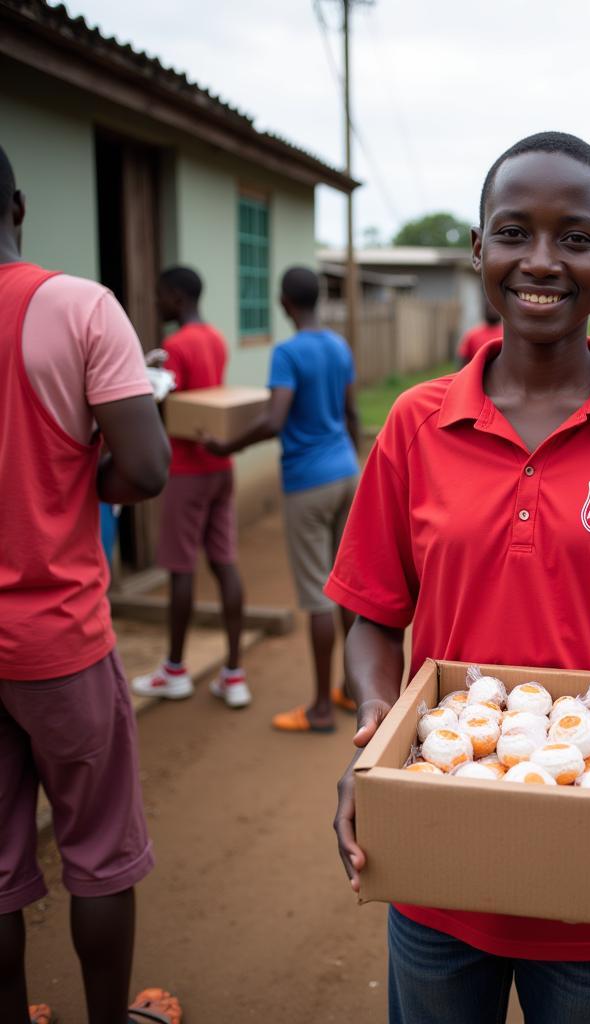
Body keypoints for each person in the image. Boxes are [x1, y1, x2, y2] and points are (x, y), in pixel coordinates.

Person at [326, 132, 590, 1023]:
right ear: (479, 248)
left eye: (577, 236)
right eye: (515, 232)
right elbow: (370, 613)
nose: (543, 261)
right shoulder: (416, 424)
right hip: (439, 860)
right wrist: (377, 724)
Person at [0, 146, 182, 1024]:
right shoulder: (75, 307)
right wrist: (78, 481)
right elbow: (145, 467)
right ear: (20, 206)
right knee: (99, 853)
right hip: (58, 638)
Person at [202, 266, 361, 732]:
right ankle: (352, 691)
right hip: (346, 473)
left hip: (307, 482)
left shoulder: (287, 354)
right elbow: (351, 412)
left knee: (316, 596)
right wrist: (356, 467)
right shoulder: (338, 346)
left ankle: (319, 710)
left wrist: (225, 445)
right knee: (345, 591)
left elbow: (274, 420)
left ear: (285, 303)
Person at [132, 267, 249, 708]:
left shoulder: (176, 346)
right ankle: (234, 674)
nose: (156, 304)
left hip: (186, 469)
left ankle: (175, 671)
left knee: (181, 568)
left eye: (160, 296)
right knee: (224, 562)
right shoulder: (215, 338)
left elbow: (167, 406)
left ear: (177, 298)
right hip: (221, 466)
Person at [456, 292, 502, 366]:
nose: (492, 310)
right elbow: (462, 362)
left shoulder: (508, 335)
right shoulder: (472, 335)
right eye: (489, 307)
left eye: (494, 307)